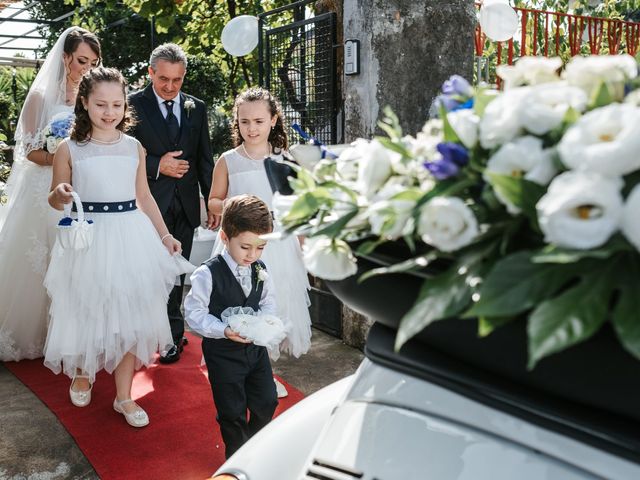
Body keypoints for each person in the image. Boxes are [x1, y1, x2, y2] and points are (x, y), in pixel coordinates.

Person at [45, 67, 184, 427]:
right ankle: (81, 371)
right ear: (85, 104)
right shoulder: (70, 148)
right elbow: (56, 195)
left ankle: (124, 397)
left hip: (129, 234)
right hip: (88, 236)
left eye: (117, 104)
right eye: (101, 104)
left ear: (125, 106)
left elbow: (144, 197)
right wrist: (60, 195)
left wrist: (164, 235)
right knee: (86, 306)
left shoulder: (133, 147)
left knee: (129, 315)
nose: (110, 112)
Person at [0, 27, 101, 361]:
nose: (86, 68)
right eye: (82, 60)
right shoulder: (41, 97)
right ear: (66, 56)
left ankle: (65, 334)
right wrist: (59, 155)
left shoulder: (90, 99)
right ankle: (29, 333)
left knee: (72, 258)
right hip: (40, 187)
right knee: (37, 259)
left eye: (93, 62)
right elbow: (28, 149)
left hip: (76, 188)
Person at [207, 87, 312, 367]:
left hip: (278, 242)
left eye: (258, 122)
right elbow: (213, 202)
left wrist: (304, 245)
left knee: (276, 304)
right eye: (244, 122)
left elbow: (297, 207)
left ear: (273, 120)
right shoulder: (228, 160)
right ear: (237, 122)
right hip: (239, 244)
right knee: (246, 304)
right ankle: (253, 368)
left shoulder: (285, 159)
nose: (251, 129)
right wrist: (234, 204)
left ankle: (267, 371)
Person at [129, 43, 214, 364]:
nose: (169, 86)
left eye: (176, 80)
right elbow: (122, 153)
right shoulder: (133, 105)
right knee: (149, 273)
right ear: (150, 73)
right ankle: (145, 333)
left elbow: (205, 159)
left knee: (178, 273)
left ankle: (172, 335)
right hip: (149, 205)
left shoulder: (197, 107)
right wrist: (156, 165)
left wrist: (212, 203)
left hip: (188, 206)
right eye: (162, 78)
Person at [184, 194, 278, 459]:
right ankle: (238, 459)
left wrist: (267, 322)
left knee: (267, 401)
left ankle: (254, 446)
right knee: (232, 412)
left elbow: (268, 302)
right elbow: (194, 312)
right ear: (225, 238)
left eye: (260, 248)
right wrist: (223, 330)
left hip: (255, 351)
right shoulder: (207, 274)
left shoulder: (260, 268)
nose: (253, 255)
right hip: (223, 355)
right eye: (246, 247)